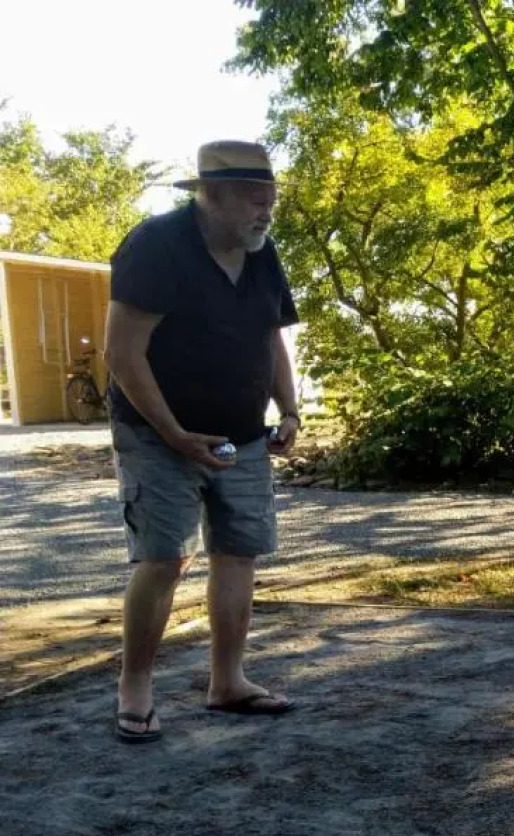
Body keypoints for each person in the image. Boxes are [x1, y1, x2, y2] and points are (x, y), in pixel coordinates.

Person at [106, 141, 302, 742]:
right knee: (164, 557)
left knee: (238, 551)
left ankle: (227, 682)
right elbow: (122, 353)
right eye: (251, 197)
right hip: (157, 433)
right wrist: (173, 434)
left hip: (242, 435)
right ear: (209, 195)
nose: (264, 209)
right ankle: (135, 687)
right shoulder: (157, 246)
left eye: (268, 197)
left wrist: (289, 409)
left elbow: (271, 339)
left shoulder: (262, 255)